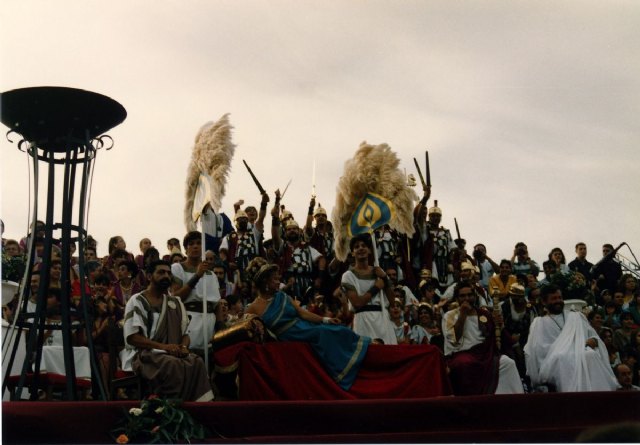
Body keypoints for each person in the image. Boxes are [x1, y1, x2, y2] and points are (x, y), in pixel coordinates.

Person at [244, 257, 370, 391]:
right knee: (323, 332)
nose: (278, 282)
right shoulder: (252, 308)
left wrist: (326, 320)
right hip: (289, 336)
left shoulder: (282, 296)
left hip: (303, 327)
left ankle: (364, 350)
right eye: (275, 279)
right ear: (265, 282)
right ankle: (341, 373)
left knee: (337, 329)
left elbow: (303, 314)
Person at [121, 260, 214, 402]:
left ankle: (194, 411)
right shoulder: (137, 300)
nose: (166, 276)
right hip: (144, 354)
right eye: (161, 272)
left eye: (169, 273)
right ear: (149, 276)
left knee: (196, 362)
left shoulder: (175, 303)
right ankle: (169, 409)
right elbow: (133, 338)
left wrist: (183, 347)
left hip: (172, 353)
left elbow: (185, 335)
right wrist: (164, 347)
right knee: (172, 364)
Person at [524, 284, 618, 392]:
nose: (558, 301)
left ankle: (599, 396)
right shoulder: (539, 323)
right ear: (544, 302)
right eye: (554, 298)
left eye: (560, 298)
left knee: (590, 354)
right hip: (554, 361)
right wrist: (566, 350)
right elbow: (538, 349)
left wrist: (593, 340)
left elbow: (592, 335)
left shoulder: (575, 317)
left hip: (581, 352)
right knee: (564, 358)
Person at [442, 281, 523, 395]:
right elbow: (454, 339)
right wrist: (463, 315)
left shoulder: (484, 314)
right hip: (461, 353)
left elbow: (495, 337)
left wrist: (499, 325)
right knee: (464, 364)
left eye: (470, 295)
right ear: (457, 298)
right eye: (462, 296)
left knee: (508, 363)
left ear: (474, 296)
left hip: (485, 354)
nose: (467, 298)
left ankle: (511, 400)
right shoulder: (449, 315)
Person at [341, 234, 397, 344]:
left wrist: (385, 278)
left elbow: (392, 300)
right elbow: (357, 303)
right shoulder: (348, 275)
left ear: (370, 250)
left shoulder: (379, 272)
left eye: (364, 246)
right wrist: (376, 287)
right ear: (352, 253)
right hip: (362, 319)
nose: (361, 248)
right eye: (356, 247)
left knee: (388, 355)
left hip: (382, 318)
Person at [171, 231, 219, 352]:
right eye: (191, 244)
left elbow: (216, 303)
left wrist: (220, 326)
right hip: (190, 319)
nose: (195, 246)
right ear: (186, 249)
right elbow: (176, 297)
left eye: (199, 243)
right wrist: (197, 276)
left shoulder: (211, 274)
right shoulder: (177, 268)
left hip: (209, 321)